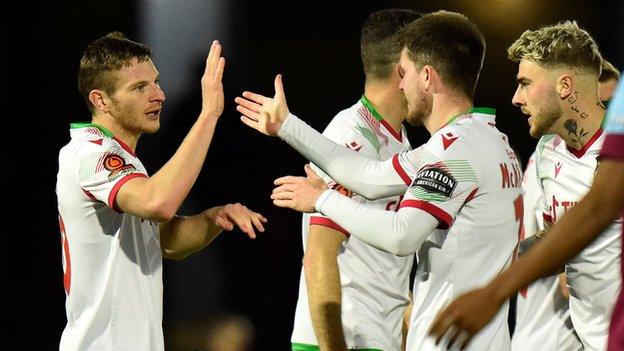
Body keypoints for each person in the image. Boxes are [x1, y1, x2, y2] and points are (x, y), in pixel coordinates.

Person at [236, 11, 522, 350]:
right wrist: (286, 126)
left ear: (427, 77)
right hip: (362, 337)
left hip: (449, 340)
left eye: (408, 73)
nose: (403, 83)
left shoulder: (453, 151)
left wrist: (322, 199)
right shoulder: (491, 144)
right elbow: (369, 181)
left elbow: (401, 234)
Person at [56, 32, 266, 350]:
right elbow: (159, 203)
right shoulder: (91, 154)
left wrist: (213, 218)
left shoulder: (127, 163)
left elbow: (169, 242)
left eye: (155, 82)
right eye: (139, 88)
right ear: (101, 100)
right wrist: (208, 113)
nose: (159, 96)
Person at [429, 22, 623, 351]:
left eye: (525, 83)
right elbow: (565, 237)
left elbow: (596, 209)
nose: (516, 98)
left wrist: (493, 294)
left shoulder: (615, 146)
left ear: (564, 85)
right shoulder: (548, 152)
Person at [291, 9, 421, 351]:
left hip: (377, 337)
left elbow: (380, 268)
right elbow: (319, 256)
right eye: (427, 63)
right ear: (403, 70)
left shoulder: (398, 140)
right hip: (345, 338)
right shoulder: (352, 139)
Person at [512, 58, 620, 351]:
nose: (516, 98)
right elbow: (553, 237)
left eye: (613, 104)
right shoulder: (548, 153)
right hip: (570, 333)